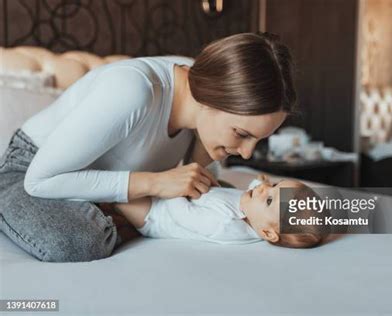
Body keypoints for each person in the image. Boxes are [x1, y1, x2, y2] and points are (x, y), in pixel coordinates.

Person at [0, 32, 297, 262]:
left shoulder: (200, 82)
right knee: (80, 242)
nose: (246, 153)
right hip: (28, 171)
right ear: (212, 99)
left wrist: (206, 155)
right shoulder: (133, 91)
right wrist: (155, 182)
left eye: (257, 140)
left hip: (103, 181)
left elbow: (186, 172)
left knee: (219, 196)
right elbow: (39, 180)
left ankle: (112, 209)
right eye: (241, 133)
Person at [112, 175, 329, 248]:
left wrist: (175, 187)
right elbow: (250, 194)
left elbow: (183, 216)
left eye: (270, 199)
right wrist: (262, 185)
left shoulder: (226, 224)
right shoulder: (255, 213)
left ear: (268, 233)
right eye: (275, 184)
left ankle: (108, 207)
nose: (264, 189)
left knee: (119, 195)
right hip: (179, 196)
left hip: (157, 214)